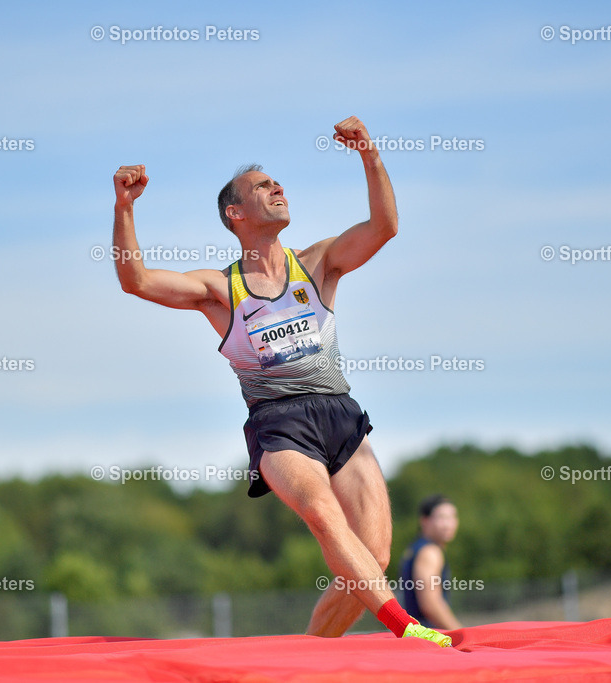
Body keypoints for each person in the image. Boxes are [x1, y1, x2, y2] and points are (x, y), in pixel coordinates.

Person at [111, 116, 451, 647]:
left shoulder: (316, 263)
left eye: (279, 184)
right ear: (236, 212)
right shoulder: (220, 287)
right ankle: (407, 629)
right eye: (264, 186)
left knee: (373, 558)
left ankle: (310, 659)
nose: (278, 189)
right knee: (322, 514)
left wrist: (369, 154)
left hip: (340, 412)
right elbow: (136, 280)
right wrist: (124, 208)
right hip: (280, 422)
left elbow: (384, 228)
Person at [399, 495, 463, 630]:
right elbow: (430, 604)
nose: (448, 524)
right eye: (441, 518)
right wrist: (460, 634)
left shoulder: (414, 549)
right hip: (429, 637)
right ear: (424, 521)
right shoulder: (430, 552)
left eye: (452, 517)